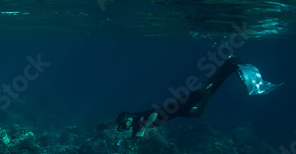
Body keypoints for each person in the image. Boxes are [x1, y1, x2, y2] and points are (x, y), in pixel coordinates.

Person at [116, 56, 280, 137]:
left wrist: (144, 129)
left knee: (205, 92)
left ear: (128, 118)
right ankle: (227, 68)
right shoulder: (136, 125)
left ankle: (226, 68)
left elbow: (153, 115)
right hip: (177, 110)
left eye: (123, 124)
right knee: (203, 96)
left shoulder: (139, 120)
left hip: (177, 107)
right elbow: (135, 135)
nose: (123, 128)